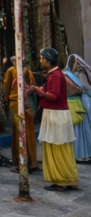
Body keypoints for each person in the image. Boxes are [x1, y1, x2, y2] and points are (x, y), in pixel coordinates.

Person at [28, 48, 79, 191]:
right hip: (57, 114)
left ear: (48, 59)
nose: (41, 60)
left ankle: (61, 181)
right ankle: (68, 178)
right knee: (61, 147)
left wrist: (38, 91)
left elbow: (52, 96)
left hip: (56, 114)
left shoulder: (55, 75)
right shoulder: (55, 74)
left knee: (56, 147)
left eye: (42, 58)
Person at [2, 56, 38, 171]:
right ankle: (32, 161)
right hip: (27, 104)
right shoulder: (28, 71)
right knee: (29, 132)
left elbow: (6, 87)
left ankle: (21, 162)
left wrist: (5, 100)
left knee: (19, 132)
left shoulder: (11, 71)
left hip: (16, 103)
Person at [65, 55, 91, 164]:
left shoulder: (79, 73)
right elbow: (79, 89)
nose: (78, 65)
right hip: (72, 104)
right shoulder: (66, 74)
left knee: (82, 130)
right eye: (76, 63)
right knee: (75, 130)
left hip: (80, 104)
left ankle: (83, 154)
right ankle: (77, 154)